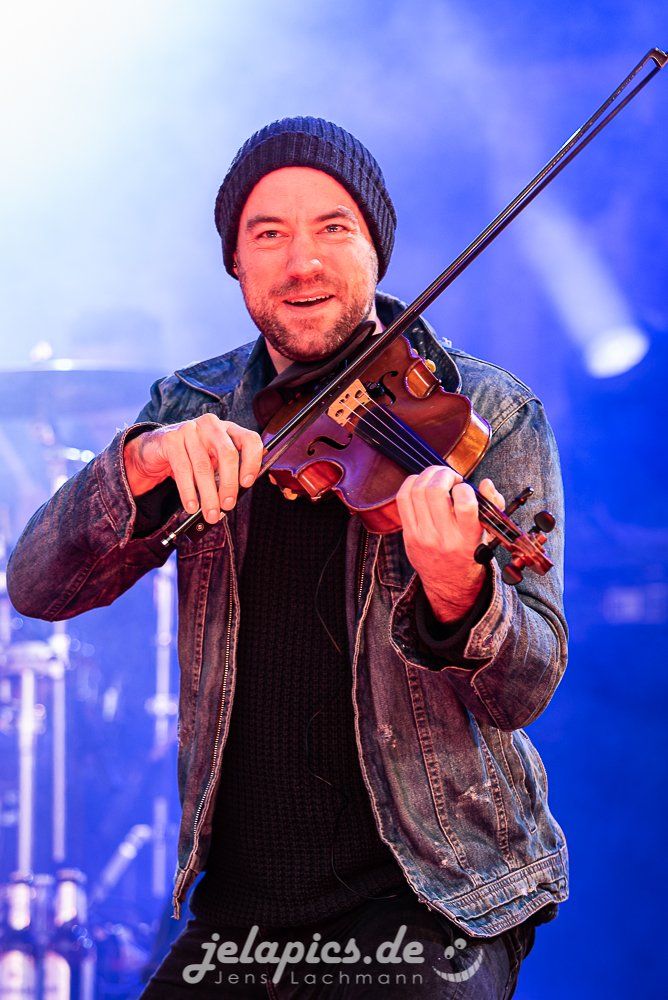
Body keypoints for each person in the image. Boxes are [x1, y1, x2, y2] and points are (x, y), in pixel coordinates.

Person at [7, 117, 568, 998]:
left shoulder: (483, 411)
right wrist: (141, 462)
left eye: (332, 228)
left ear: (375, 250)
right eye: (268, 235)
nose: (302, 262)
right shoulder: (195, 404)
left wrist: (460, 589)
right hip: (240, 910)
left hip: (434, 893)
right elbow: (38, 586)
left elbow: (525, 687)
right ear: (236, 263)